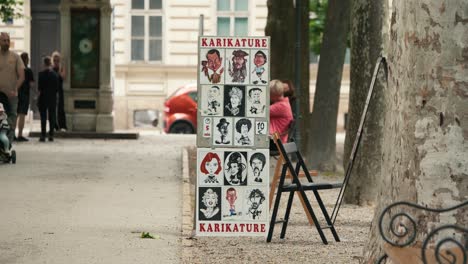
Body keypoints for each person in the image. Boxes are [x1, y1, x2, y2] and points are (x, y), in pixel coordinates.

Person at [0, 32, 25, 144]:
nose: (6, 42)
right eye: (4, 40)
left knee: (11, 120)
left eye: (8, 40)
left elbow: (22, 76)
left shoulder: (15, 57)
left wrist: (15, 90)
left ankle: (7, 146)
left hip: (11, 96)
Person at [38, 56, 59, 142]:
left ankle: (43, 135)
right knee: (52, 116)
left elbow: (39, 88)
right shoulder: (55, 75)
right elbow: (57, 88)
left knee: (43, 117)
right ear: (50, 63)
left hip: (43, 97)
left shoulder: (41, 74)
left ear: (44, 63)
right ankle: (51, 135)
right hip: (52, 97)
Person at [269, 79, 294, 150]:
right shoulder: (284, 103)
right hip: (277, 140)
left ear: (274, 95)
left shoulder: (281, 106)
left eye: (269, 94)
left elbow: (261, 112)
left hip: (276, 142)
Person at [16, 52, 35, 141]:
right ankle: (20, 134)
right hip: (25, 95)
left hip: (16, 94)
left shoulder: (17, 69)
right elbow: (31, 84)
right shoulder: (28, 70)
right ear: (27, 59)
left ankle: (12, 134)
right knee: (22, 115)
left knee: (14, 115)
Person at [51, 51, 67, 131]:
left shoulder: (61, 68)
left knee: (61, 108)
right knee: (52, 109)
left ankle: (62, 126)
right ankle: (54, 126)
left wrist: (59, 71)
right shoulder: (51, 69)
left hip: (60, 90)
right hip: (52, 91)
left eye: (57, 60)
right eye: (55, 60)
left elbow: (63, 77)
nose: (56, 62)